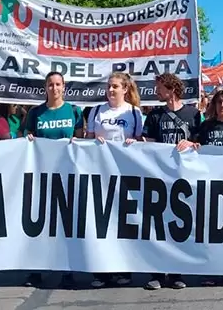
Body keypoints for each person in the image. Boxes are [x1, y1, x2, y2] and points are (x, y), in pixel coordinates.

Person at [179, 90, 223, 286]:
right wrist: (191, 145)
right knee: (210, 228)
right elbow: (195, 145)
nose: (222, 106)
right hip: (209, 183)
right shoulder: (206, 125)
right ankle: (210, 270)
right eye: (218, 102)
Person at [23, 71, 85, 289]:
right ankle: (35, 269)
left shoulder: (75, 111)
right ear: (45, 87)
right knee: (38, 222)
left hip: (67, 175)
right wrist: (28, 139)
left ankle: (68, 268)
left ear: (64, 87)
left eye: (58, 84)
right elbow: (26, 138)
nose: (54, 88)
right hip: (41, 175)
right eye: (50, 84)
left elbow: (82, 141)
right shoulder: (36, 113)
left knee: (66, 222)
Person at [141, 73, 201, 290]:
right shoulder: (155, 115)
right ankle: (156, 271)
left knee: (180, 224)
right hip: (159, 177)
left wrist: (193, 143)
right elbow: (147, 143)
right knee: (158, 224)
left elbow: (200, 143)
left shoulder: (193, 114)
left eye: (159, 88)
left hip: (183, 179)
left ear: (171, 88)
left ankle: (177, 272)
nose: (156, 92)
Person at [86, 72, 144, 288]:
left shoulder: (134, 112)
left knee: (122, 222)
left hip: (125, 175)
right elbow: (88, 141)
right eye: (109, 86)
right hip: (100, 173)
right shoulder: (96, 111)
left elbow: (141, 143)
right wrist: (93, 142)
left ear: (125, 89)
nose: (111, 90)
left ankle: (123, 268)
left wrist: (134, 142)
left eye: (115, 87)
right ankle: (101, 270)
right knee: (101, 221)